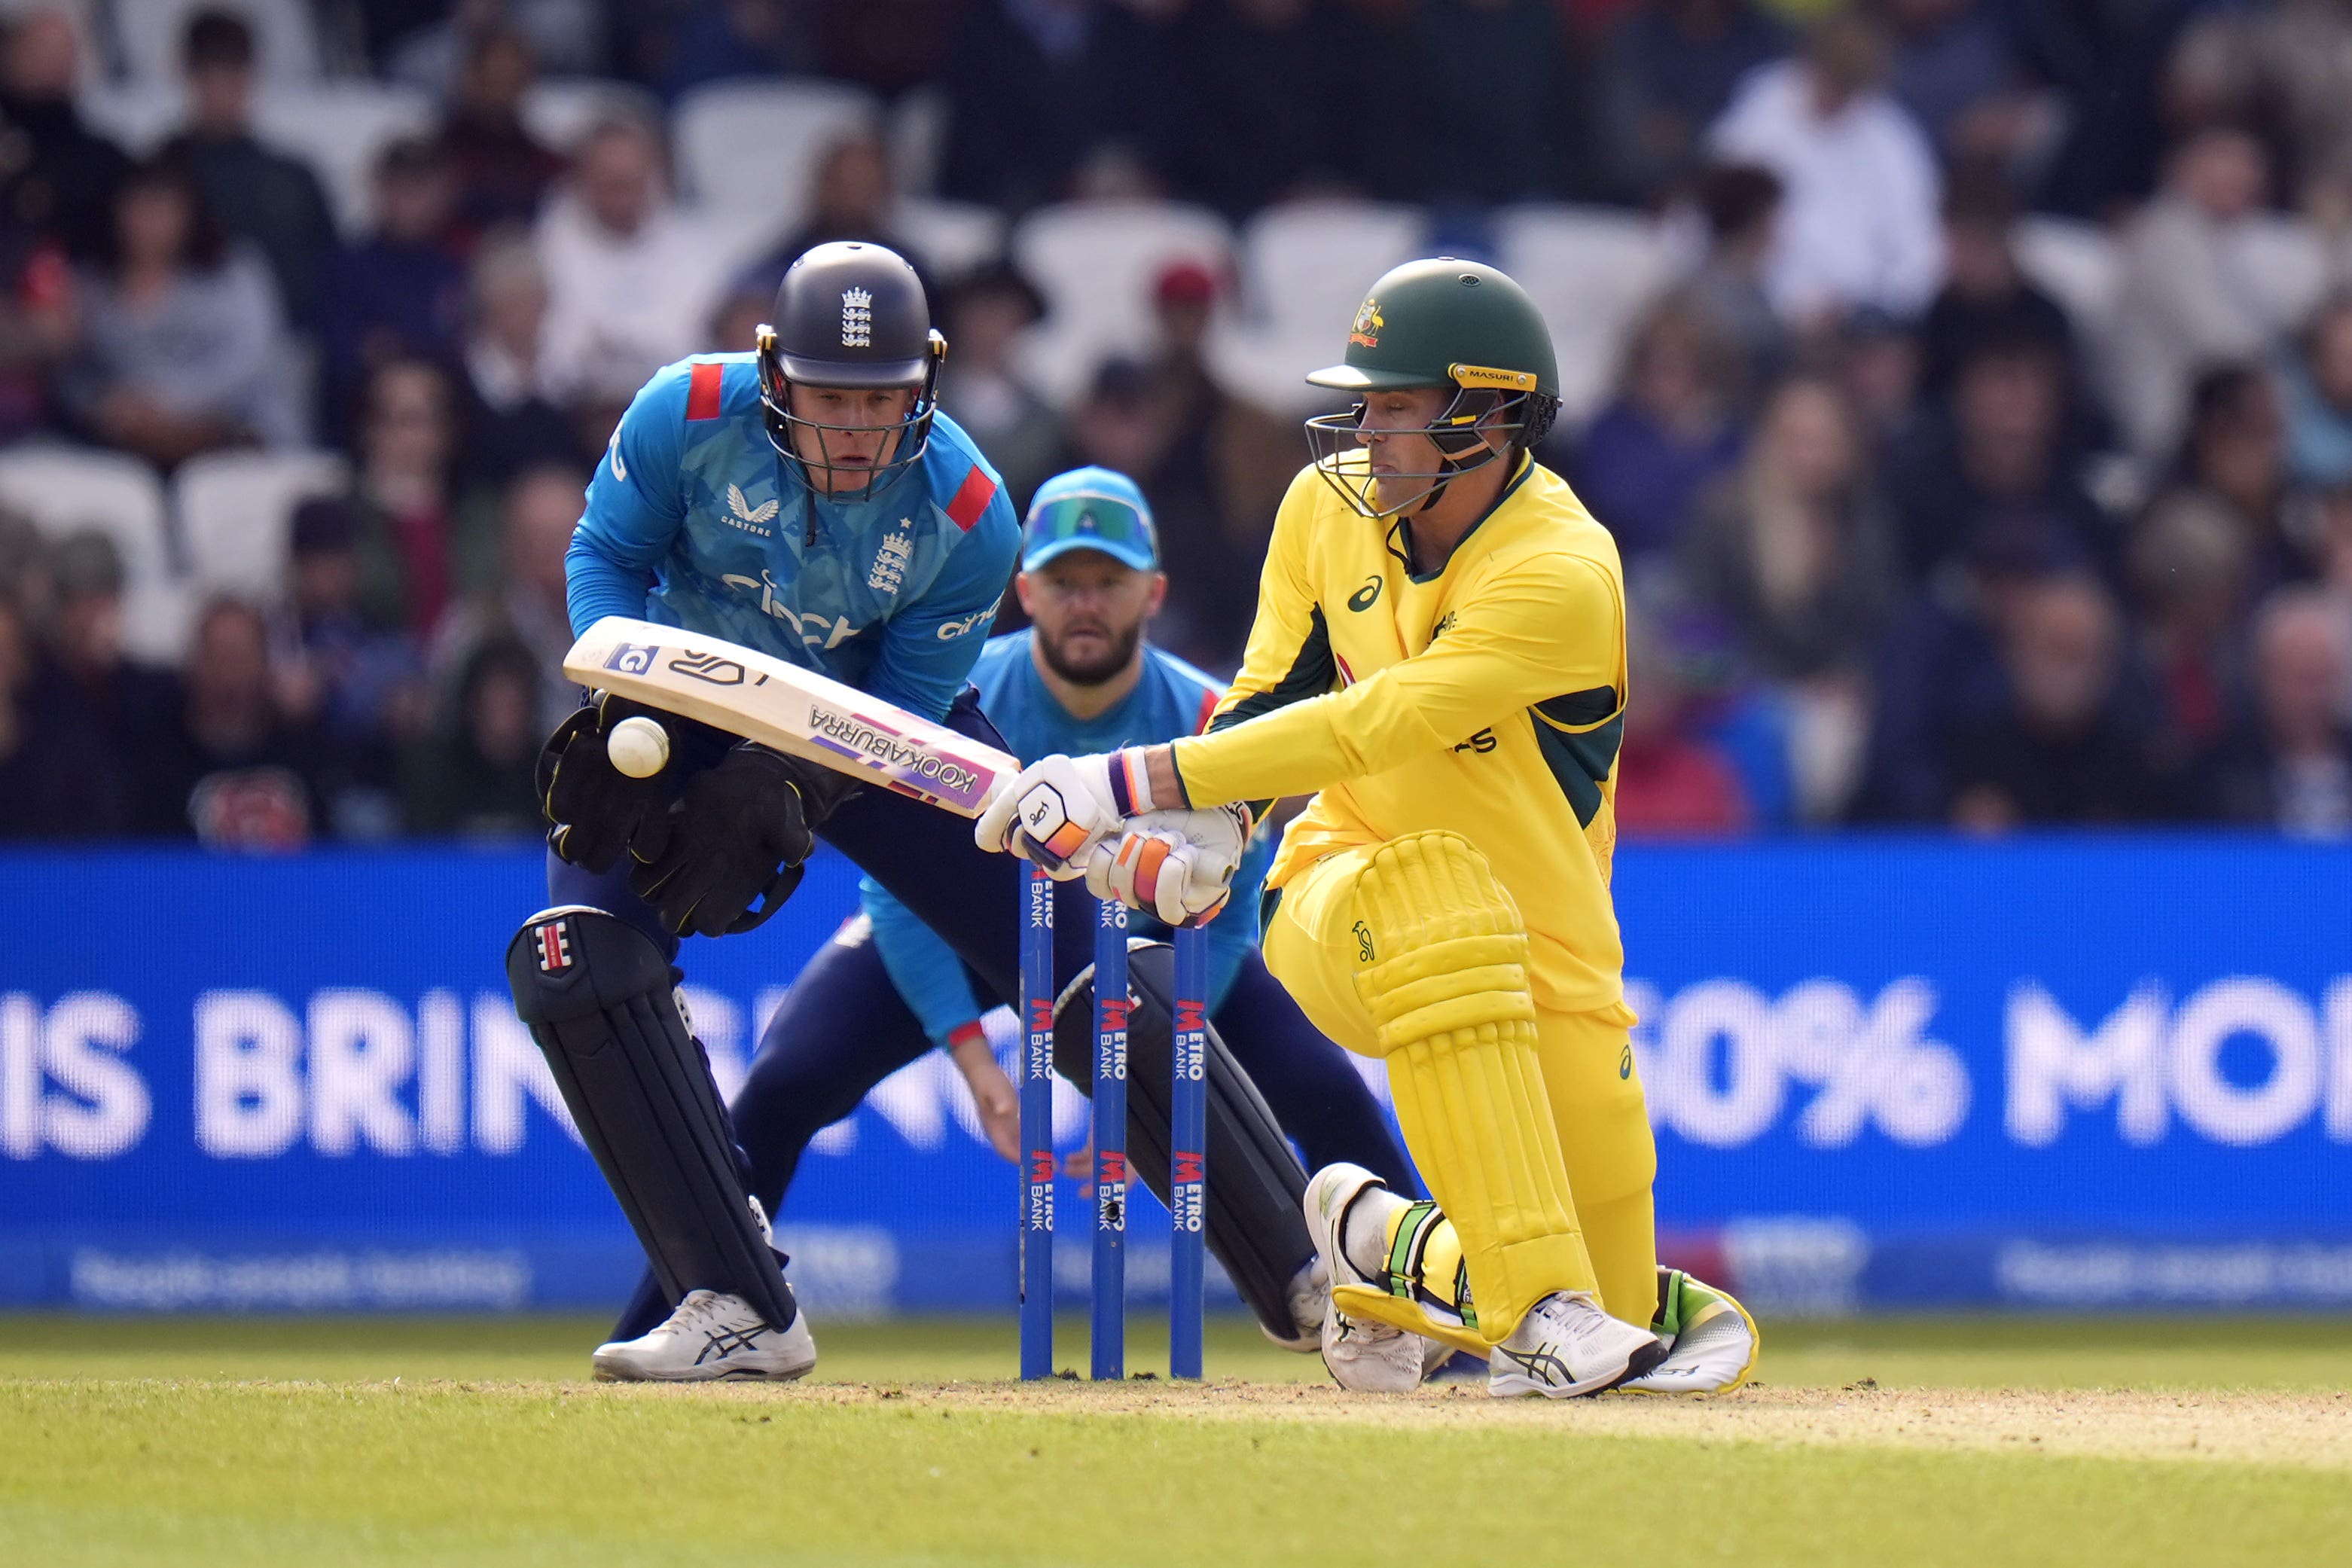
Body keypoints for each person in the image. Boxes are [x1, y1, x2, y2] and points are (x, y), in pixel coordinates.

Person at [517, 242, 1344, 1381]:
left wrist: (797, 783)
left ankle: (1298, 1271)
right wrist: (620, 705)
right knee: (577, 964)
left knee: (1079, 958)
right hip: (686, 700)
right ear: (774, 376)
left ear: (925, 386)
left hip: (877, 721)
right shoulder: (684, 411)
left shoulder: (967, 508)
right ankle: (737, 1304)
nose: (855, 428)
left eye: (881, 400)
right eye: (830, 398)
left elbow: (900, 711)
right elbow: (603, 558)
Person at [976, 257, 1759, 1398]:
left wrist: (1128, 780)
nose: (1364, 431)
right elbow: (1272, 690)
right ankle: (1533, 1307)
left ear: (1488, 415)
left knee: (1629, 1319)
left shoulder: (1559, 569)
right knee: (1434, 895)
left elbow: (1376, 720)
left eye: (1394, 408)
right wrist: (1221, 820)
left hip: (1550, 948)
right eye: (1367, 403)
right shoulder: (1320, 508)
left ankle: (1375, 1245)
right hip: (1343, 893)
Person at [602, 465, 1417, 1345]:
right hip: (954, 928)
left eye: (1109, 583)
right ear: (1024, 590)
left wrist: (1159, 1091)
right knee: (785, 1084)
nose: (1086, 605)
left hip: (1148, 942)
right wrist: (975, 1062)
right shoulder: (968, 690)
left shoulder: (1210, 714)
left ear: (1154, 593)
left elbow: (1224, 917)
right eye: (1065, 582)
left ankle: (1441, 1309)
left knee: (1327, 1092)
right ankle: (696, 1315)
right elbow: (901, 888)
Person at [162, 8, 338, 330]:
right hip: (184, 345)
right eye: (211, 74)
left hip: (292, 342)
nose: (223, 90)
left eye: (234, 74)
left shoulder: (294, 176)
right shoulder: (163, 173)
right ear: (189, 75)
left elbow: (332, 271)